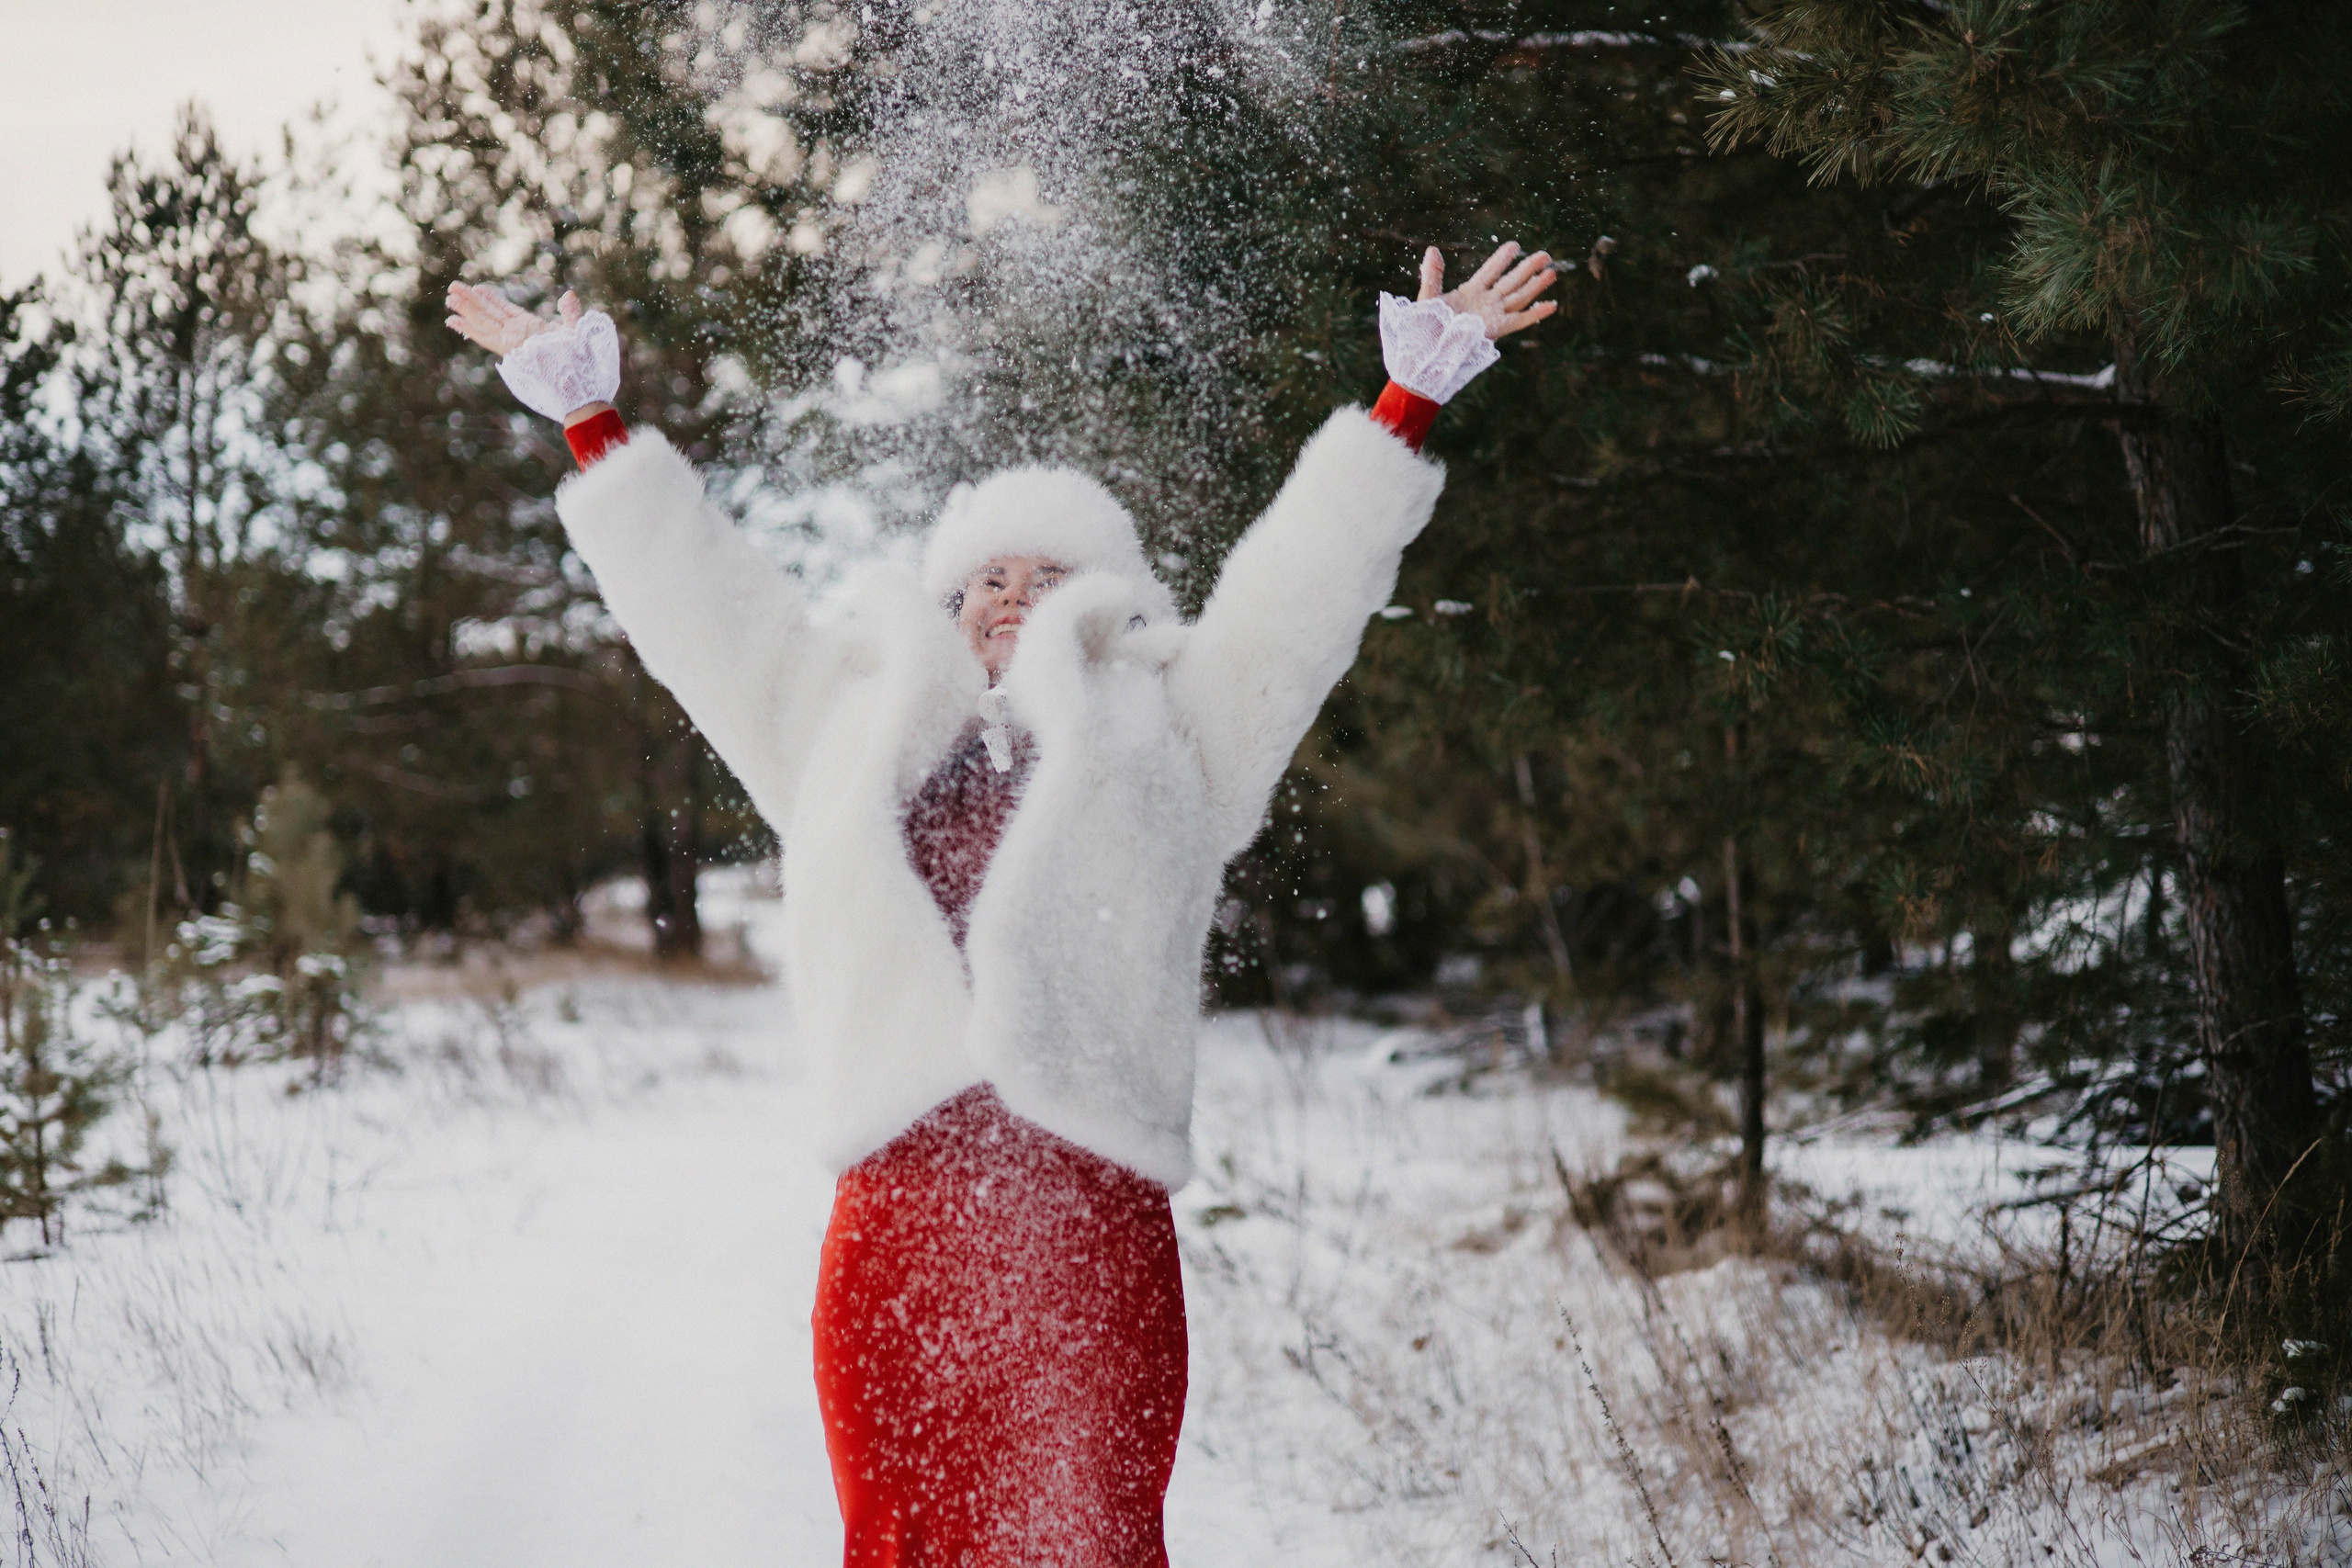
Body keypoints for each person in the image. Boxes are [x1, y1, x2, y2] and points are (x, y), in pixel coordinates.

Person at [446, 241, 1556, 1568]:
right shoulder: (841, 729)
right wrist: (591, 423)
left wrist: (1403, 411)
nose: (1011, 598)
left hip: (1092, 1219)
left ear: (1109, 605)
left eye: (1046, 578)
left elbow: (1294, 611)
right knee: (905, 1538)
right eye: (984, 580)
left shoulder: (1176, 741)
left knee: (1093, 1539)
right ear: (944, 610)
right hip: (899, 1224)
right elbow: (705, 614)